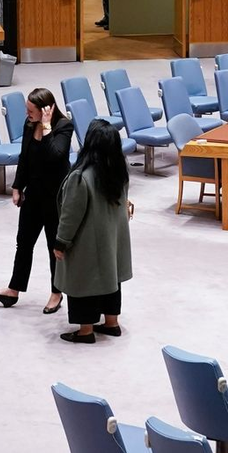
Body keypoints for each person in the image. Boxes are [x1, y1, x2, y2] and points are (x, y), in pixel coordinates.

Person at [0, 88, 73, 314]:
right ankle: (14, 289)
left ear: (47, 109)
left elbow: (55, 155)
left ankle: (57, 292)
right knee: (23, 243)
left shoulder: (63, 127)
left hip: (55, 197)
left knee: (54, 245)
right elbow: (25, 157)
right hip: (34, 194)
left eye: (31, 110)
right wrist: (17, 186)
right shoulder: (28, 125)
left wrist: (45, 127)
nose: (27, 114)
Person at [53, 119, 133, 344]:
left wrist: (61, 243)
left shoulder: (81, 177)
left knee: (82, 282)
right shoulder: (119, 172)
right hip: (113, 240)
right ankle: (111, 323)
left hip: (87, 242)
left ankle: (85, 331)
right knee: (111, 278)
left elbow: (70, 216)